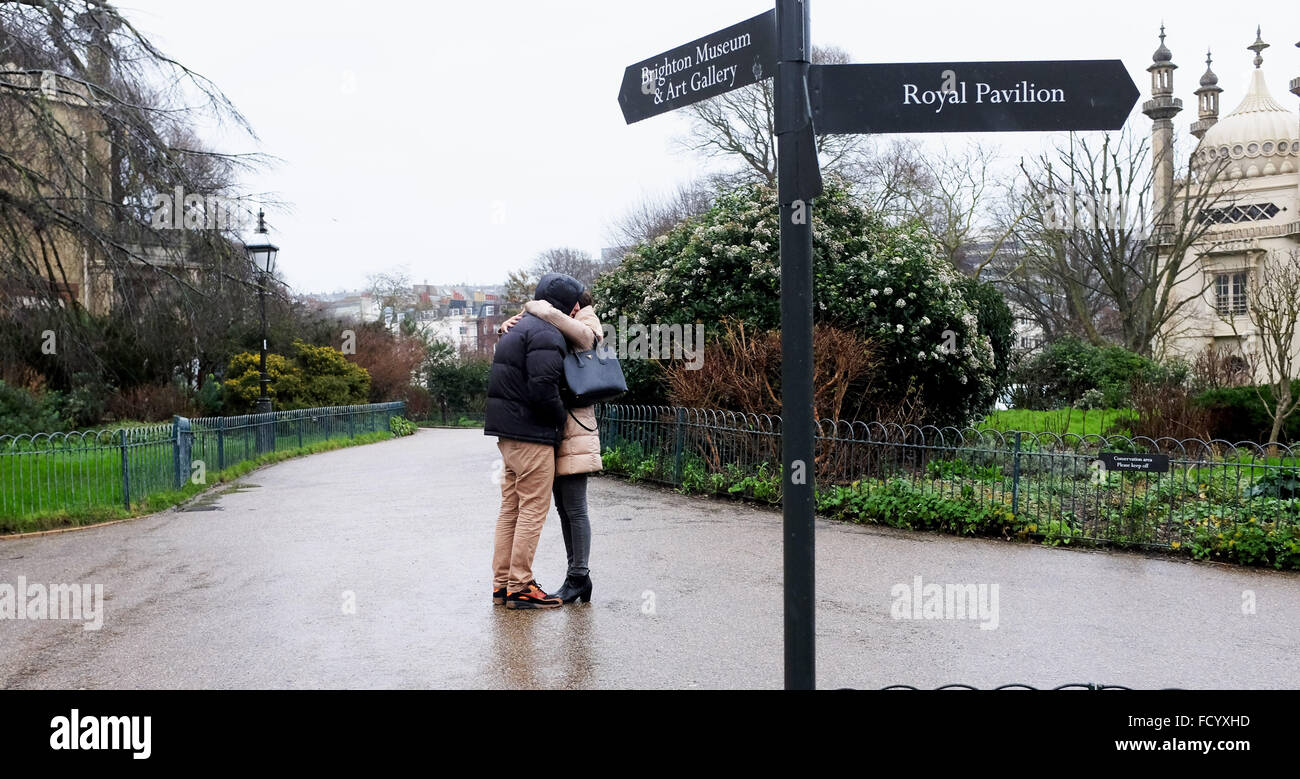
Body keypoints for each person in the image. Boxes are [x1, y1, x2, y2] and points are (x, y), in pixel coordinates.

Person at [484, 272, 583, 609]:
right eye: (573, 306)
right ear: (564, 306)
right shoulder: (546, 333)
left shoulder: (516, 329)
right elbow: (543, 389)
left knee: (510, 510)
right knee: (532, 511)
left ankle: (502, 584)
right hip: (532, 436)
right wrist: (560, 420)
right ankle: (521, 585)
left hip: (508, 435)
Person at [499, 289, 602, 604]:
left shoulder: (587, 318)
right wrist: (510, 322)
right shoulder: (556, 319)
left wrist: (541, 311)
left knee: (575, 507)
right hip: (553, 429)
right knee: (561, 508)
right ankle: (575, 575)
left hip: (575, 431)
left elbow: (589, 339)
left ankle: (579, 576)